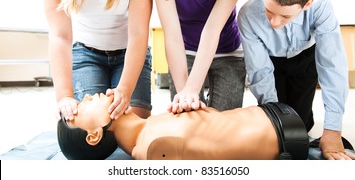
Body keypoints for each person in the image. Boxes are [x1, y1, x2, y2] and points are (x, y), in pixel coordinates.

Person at [237, 0, 350, 160]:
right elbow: (259, 70)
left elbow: (332, 66)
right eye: (269, 11)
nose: (274, 22)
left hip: (305, 58)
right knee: (280, 126)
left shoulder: (321, 7)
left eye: (285, 16)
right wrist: (275, 122)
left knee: (301, 124)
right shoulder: (248, 13)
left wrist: (333, 130)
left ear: (307, 5)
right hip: (271, 60)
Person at [57, 93, 315, 160]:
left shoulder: (151, 127)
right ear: (94, 136)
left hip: (273, 114)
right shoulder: (155, 150)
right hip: (284, 133)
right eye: (81, 107)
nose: (88, 97)